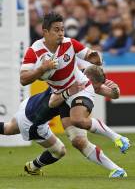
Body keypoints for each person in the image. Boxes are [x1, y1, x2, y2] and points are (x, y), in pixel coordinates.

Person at [20, 12, 130, 158]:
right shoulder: (34, 50)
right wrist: (41, 69)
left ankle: (118, 139)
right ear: (45, 31)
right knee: (77, 141)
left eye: (62, 29)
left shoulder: (70, 43)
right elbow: (23, 79)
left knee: (77, 120)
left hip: (78, 88)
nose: (61, 33)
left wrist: (96, 59)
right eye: (56, 30)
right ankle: (117, 169)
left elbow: (90, 55)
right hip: (60, 96)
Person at [0, 65, 128, 177]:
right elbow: (52, 102)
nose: (95, 91)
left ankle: (116, 169)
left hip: (31, 103)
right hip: (32, 122)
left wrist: (115, 90)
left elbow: (108, 93)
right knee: (59, 151)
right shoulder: (74, 86)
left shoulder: (77, 76)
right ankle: (33, 167)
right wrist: (68, 92)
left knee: (8, 128)